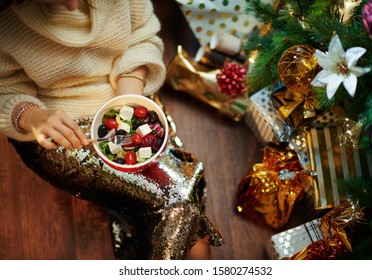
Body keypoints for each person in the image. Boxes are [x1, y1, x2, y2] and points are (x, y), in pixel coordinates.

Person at [0, 0, 222, 259]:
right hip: (65, 132)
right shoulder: (7, 24)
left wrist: (127, 99)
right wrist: (29, 115)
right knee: (181, 198)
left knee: (182, 188)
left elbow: (143, 35)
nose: (72, 5)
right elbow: (5, 87)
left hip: (129, 95)